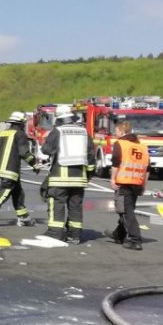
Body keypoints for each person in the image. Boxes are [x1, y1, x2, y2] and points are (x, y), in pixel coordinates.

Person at [40, 104, 95, 244]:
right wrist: (88, 176)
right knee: (75, 206)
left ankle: (55, 233)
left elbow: (46, 150)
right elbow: (91, 157)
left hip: (60, 177)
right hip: (79, 179)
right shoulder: (84, 132)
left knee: (57, 204)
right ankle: (74, 235)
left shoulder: (57, 131)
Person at [0, 111, 38, 227]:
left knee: (18, 194)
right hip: (11, 170)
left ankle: (23, 217)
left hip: (2, 169)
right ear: (20, 124)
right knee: (5, 191)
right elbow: (24, 153)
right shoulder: (20, 134)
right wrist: (35, 164)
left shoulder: (2, 134)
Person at [107, 121, 149, 250]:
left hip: (124, 181)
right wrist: (143, 185)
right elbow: (147, 168)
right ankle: (119, 234)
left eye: (116, 130)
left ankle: (135, 239)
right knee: (128, 210)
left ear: (122, 131)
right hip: (137, 182)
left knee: (125, 211)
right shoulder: (142, 146)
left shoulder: (120, 144)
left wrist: (112, 179)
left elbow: (116, 163)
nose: (115, 133)